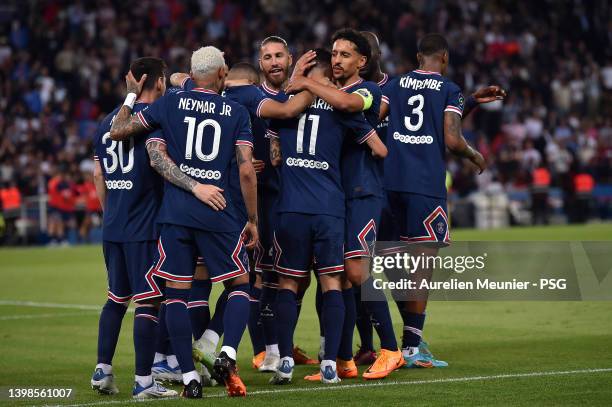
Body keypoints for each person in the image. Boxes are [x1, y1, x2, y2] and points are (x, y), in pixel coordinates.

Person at [110, 46, 258, 398]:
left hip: (175, 214)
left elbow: (119, 130)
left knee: (176, 293)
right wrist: (252, 219)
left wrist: (131, 93)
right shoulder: (236, 111)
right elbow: (246, 170)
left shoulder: (171, 103)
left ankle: (189, 378)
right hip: (217, 210)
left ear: (193, 74)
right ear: (223, 74)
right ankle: (227, 352)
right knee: (240, 282)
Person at [286, 28, 403, 380]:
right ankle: (342, 359)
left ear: (362, 62)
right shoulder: (328, 93)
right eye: (334, 54)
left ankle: (391, 349)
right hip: (336, 196)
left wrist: (307, 83)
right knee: (338, 277)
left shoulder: (367, 90)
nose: (337, 60)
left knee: (356, 271)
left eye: (345, 55)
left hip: (363, 191)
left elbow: (347, 104)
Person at [378, 33, 487, 368]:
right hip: (425, 186)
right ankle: (412, 347)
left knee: (394, 266)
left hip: (389, 184)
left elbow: (376, 119)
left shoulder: (394, 85)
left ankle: (384, 343)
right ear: (445, 57)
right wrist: (474, 155)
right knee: (421, 268)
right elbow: (452, 139)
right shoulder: (448, 89)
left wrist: (469, 102)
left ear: (417, 56)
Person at [91, 57, 178, 399]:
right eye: (165, 80)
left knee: (115, 299)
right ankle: (144, 381)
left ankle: (103, 369)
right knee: (148, 302)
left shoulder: (104, 122)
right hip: (144, 227)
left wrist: (111, 213)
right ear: (157, 82)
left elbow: (98, 175)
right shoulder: (152, 122)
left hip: (114, 224)